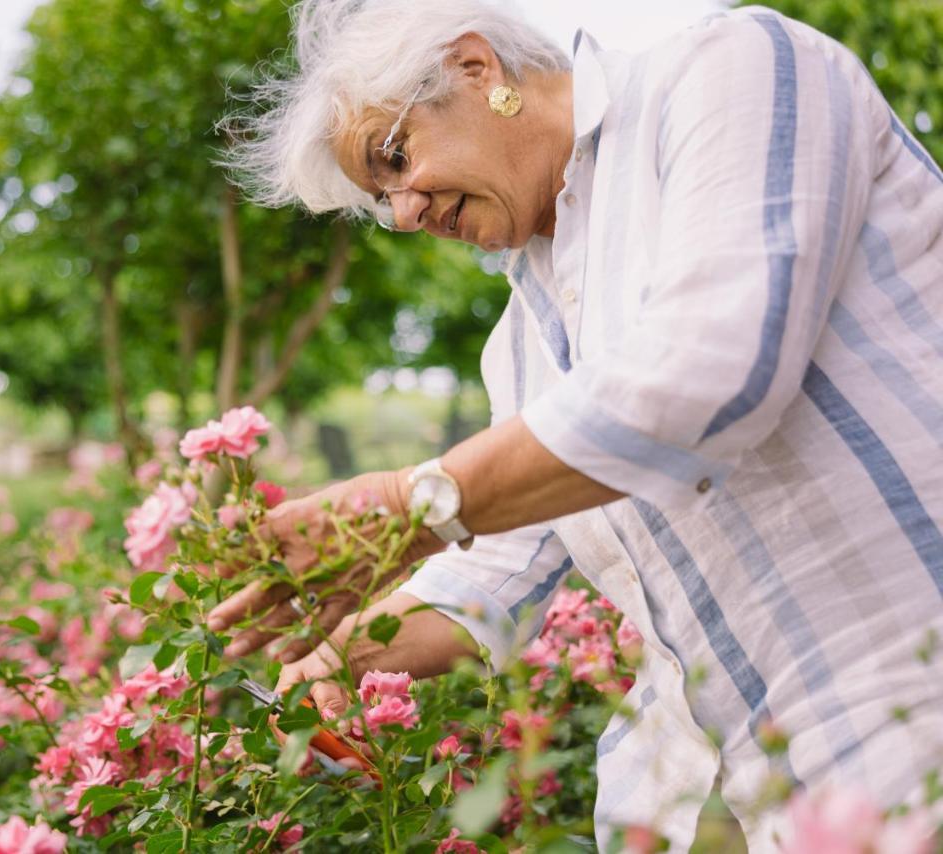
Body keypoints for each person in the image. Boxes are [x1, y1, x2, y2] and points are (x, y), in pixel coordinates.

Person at [210, 0, 943, 850]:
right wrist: (341, 654)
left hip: (911, 740)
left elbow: (712, 370)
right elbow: (491, 572)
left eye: (395, 158)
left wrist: (404, 502)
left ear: (476, 70)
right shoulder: (518, 349)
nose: (405, 214)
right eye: (382, 200)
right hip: (730, 808)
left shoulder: (731, 70)